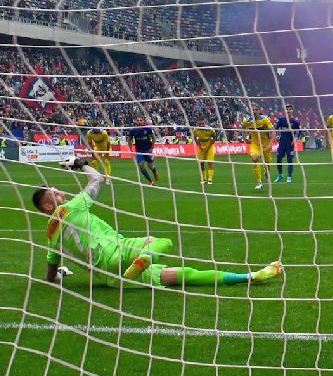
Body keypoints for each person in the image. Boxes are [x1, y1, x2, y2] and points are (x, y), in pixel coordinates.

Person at [33, 159, 282, 288]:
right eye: (55, 194)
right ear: (48, 206)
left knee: (185, 276)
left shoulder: (50, 235)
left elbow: (50, 271)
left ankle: (251, 276)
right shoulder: (70, 208)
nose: (61, 194)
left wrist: (55, 278)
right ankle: (144, 257)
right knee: (162, 241)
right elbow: (97, 179)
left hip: (111, 277)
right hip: (117, 252)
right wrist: (81, 164)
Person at [241, 104, 275, 191]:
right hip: (255, 144)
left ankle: (267, 172)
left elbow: (273, 132)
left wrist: (270, 144)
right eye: (252, 110)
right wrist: (244, 138)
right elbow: (243, 127)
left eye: (256, 110)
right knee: (254, 159)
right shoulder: (247, 121)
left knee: (267, 163)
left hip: (265, 144)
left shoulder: (264, 119)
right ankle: (259, 182)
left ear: (259, 111)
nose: (254, 111)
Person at [126, 115, 159, 185]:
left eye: (140, 120)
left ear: (143, 121)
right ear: (135, 121)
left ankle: (155, 171)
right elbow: (129, 140)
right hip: (139, 151)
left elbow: (153, 138)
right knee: (140, 165)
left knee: (150, 166)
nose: (139, 122)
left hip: (147, 150)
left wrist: (152, 148)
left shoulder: (148, 129)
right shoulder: (133, 130)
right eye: (138, 120)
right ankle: (151, 181)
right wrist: (130, 149)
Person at [273, 104, 300, 183]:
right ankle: (280, 175)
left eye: (290, 109)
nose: (288, 110)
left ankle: (289, 177)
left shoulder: (295, 122)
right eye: (287, 109)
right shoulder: (281, 120)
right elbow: (276, 129)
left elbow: (299, 131)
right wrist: (276, 136)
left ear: (292, 111)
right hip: (282, 143)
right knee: (278, 158)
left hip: (290, 144)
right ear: (285, 111)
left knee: (289, 160)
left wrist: (295, 138)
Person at [193, 116, 217, 186]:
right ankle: (204, 179)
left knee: (210, 162)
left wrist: (207, 147)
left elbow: (214, 138)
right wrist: (200, 146)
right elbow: (195, 138)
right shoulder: (195, 130)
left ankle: (210, 179)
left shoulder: (210, 129)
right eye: (200, 123)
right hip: (201, 146)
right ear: (198, 123)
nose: (201, 125)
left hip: (209, 146)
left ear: (205, 122)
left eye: (202, 123)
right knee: (201, 163)